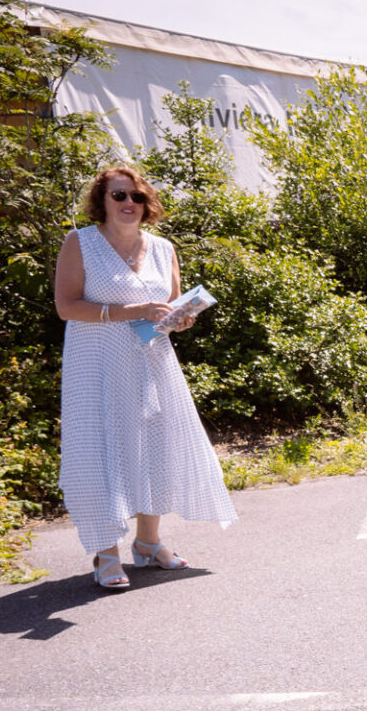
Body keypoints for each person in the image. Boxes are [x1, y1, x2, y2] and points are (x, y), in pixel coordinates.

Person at [53, 167, 236, 590]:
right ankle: (105, 553)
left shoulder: (163, 248)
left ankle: (148, 543)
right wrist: (134, 311)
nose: (128, 203)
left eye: (136, 196)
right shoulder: (80, 242)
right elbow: (67, 307)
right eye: (118, 195)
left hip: (151, 363)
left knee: (155, 447)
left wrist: (180, 319)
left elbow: (168, 308)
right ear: (102, 201)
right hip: (95, 366)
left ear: (146, 202)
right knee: (98, 453)